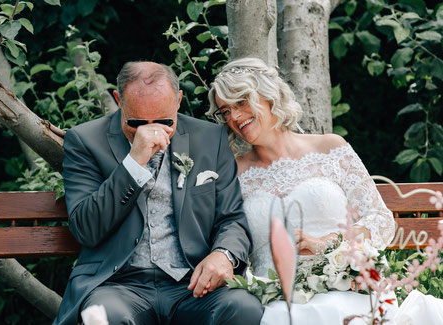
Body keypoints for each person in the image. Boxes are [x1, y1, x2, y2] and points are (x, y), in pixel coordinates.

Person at [207, 57, 443, 325]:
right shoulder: (232, 174)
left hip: (346, 287)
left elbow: (380, 220)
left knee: (338, 311)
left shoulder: (330, 148)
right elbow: (226, 240)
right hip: (275, 299)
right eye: (225, 111)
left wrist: (330, 244)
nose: (234, 117)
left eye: (241, 102)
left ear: (268, 94)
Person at [54, 61, 264, 325]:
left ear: (178, 100)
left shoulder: (210, 137)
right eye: (137, 123)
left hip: (192, 285)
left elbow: (232, 218)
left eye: (165, 122)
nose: (152, 132)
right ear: (119, 100)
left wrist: (223, 254)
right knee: (106, 316)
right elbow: (86, 229)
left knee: (243, 307)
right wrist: (133, 163)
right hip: (119, 286)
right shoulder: (85, 141)